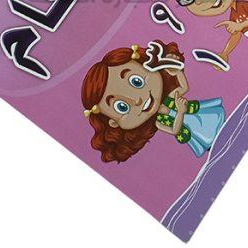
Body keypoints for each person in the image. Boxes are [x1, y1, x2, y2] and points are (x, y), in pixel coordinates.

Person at [81, 41, 225, 163]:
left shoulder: (169, 98)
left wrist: (175, 70)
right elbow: (175, 130)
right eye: (122, 107)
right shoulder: (158, 122)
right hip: (192, 130)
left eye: (137, 81)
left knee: (223, 126)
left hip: (201, 116)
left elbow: (184, 87)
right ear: (113, 123)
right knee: (214, 145)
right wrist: (180, 112)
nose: (137, 100)